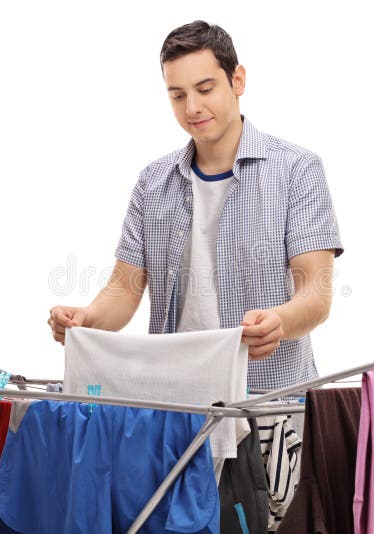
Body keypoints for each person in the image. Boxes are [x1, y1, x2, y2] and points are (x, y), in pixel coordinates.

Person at [48, 20, 343, 391]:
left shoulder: (297, 170)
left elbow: (316, 295)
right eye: (177, 95)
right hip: (174, 400)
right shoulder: (152, 182)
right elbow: (124, 288)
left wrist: (279, 321)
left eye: (205, 89)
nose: (193, 108)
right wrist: (86, 319)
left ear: (237, 81)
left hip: (267, 399)